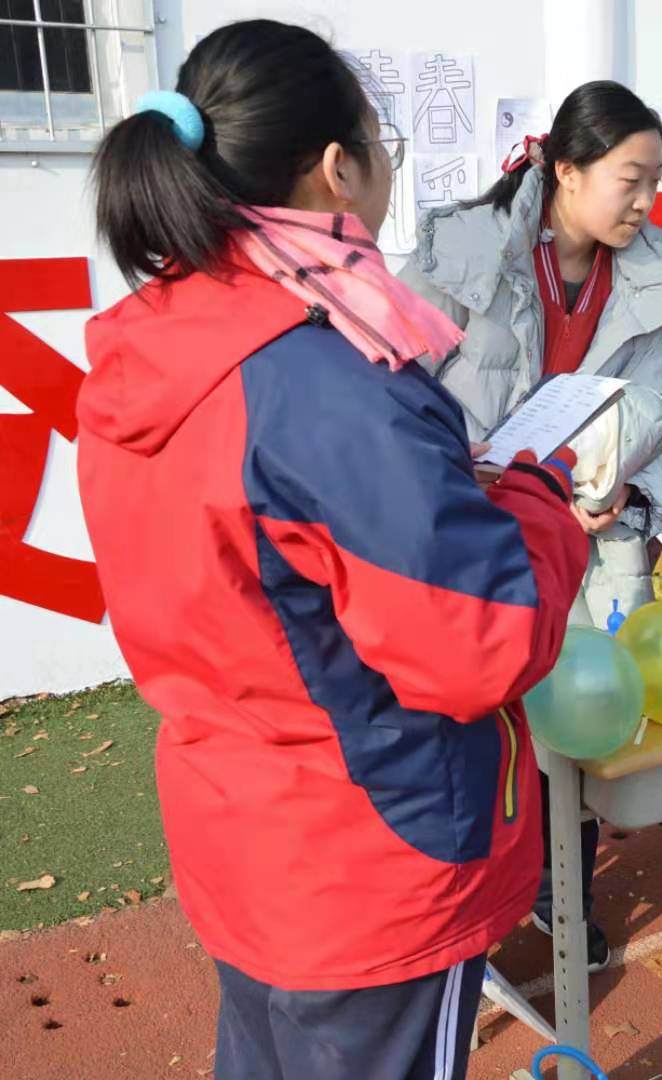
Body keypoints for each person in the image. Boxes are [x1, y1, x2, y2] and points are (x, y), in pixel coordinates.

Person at [77, 21, 588, 1080]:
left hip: (241, 829)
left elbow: (271, 561)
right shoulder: (327, 377)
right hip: (372, 854)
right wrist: (545, 502)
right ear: (336, 168)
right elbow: (480, 643)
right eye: (379, 138)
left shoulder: (158, 340)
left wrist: (446, 492)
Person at [401, 80, 662, 972]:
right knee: (474, 720)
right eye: (629, 180)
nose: (645, 202)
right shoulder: (466, 250)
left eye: (655, 182)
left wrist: (629, 495)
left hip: (587, 533)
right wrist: (463, 469)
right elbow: (395, 387)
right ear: (566, 170)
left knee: (578, 713)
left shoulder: (646, 273)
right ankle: (463, 913)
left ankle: (557, 889)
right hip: (473, 524)